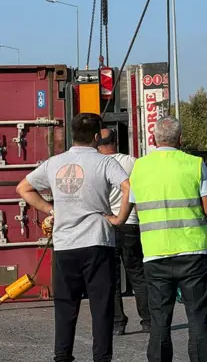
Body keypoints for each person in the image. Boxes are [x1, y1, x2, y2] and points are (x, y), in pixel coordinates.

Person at [16, 112, 132, 362]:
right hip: (97, 241)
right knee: (101, 307)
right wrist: (119, 218)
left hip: (65, 243)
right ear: (96, 136)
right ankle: (101, 358)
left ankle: (62, 356)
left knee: (66, 306)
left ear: (72, 133)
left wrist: (50, 209)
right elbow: (128, 186)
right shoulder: (105, 163)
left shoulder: (54, 163)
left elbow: (23, 188)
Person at [128, 116, 207, 362]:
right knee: (197, 317)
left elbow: (138, 209)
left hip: (155, 254)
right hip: (194, 253)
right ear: (180, 139)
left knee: (159, 319)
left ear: (153, 139)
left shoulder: (139, 167)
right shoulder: (194, 164)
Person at [97, 127, 150, 336]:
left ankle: (118, 323)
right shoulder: (132, 162)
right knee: (138, 274)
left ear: (97, 142)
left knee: (111, 278)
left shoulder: (95, 164)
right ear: (116, 141)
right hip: (130, 223)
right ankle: (148, 321)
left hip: (105, 226)